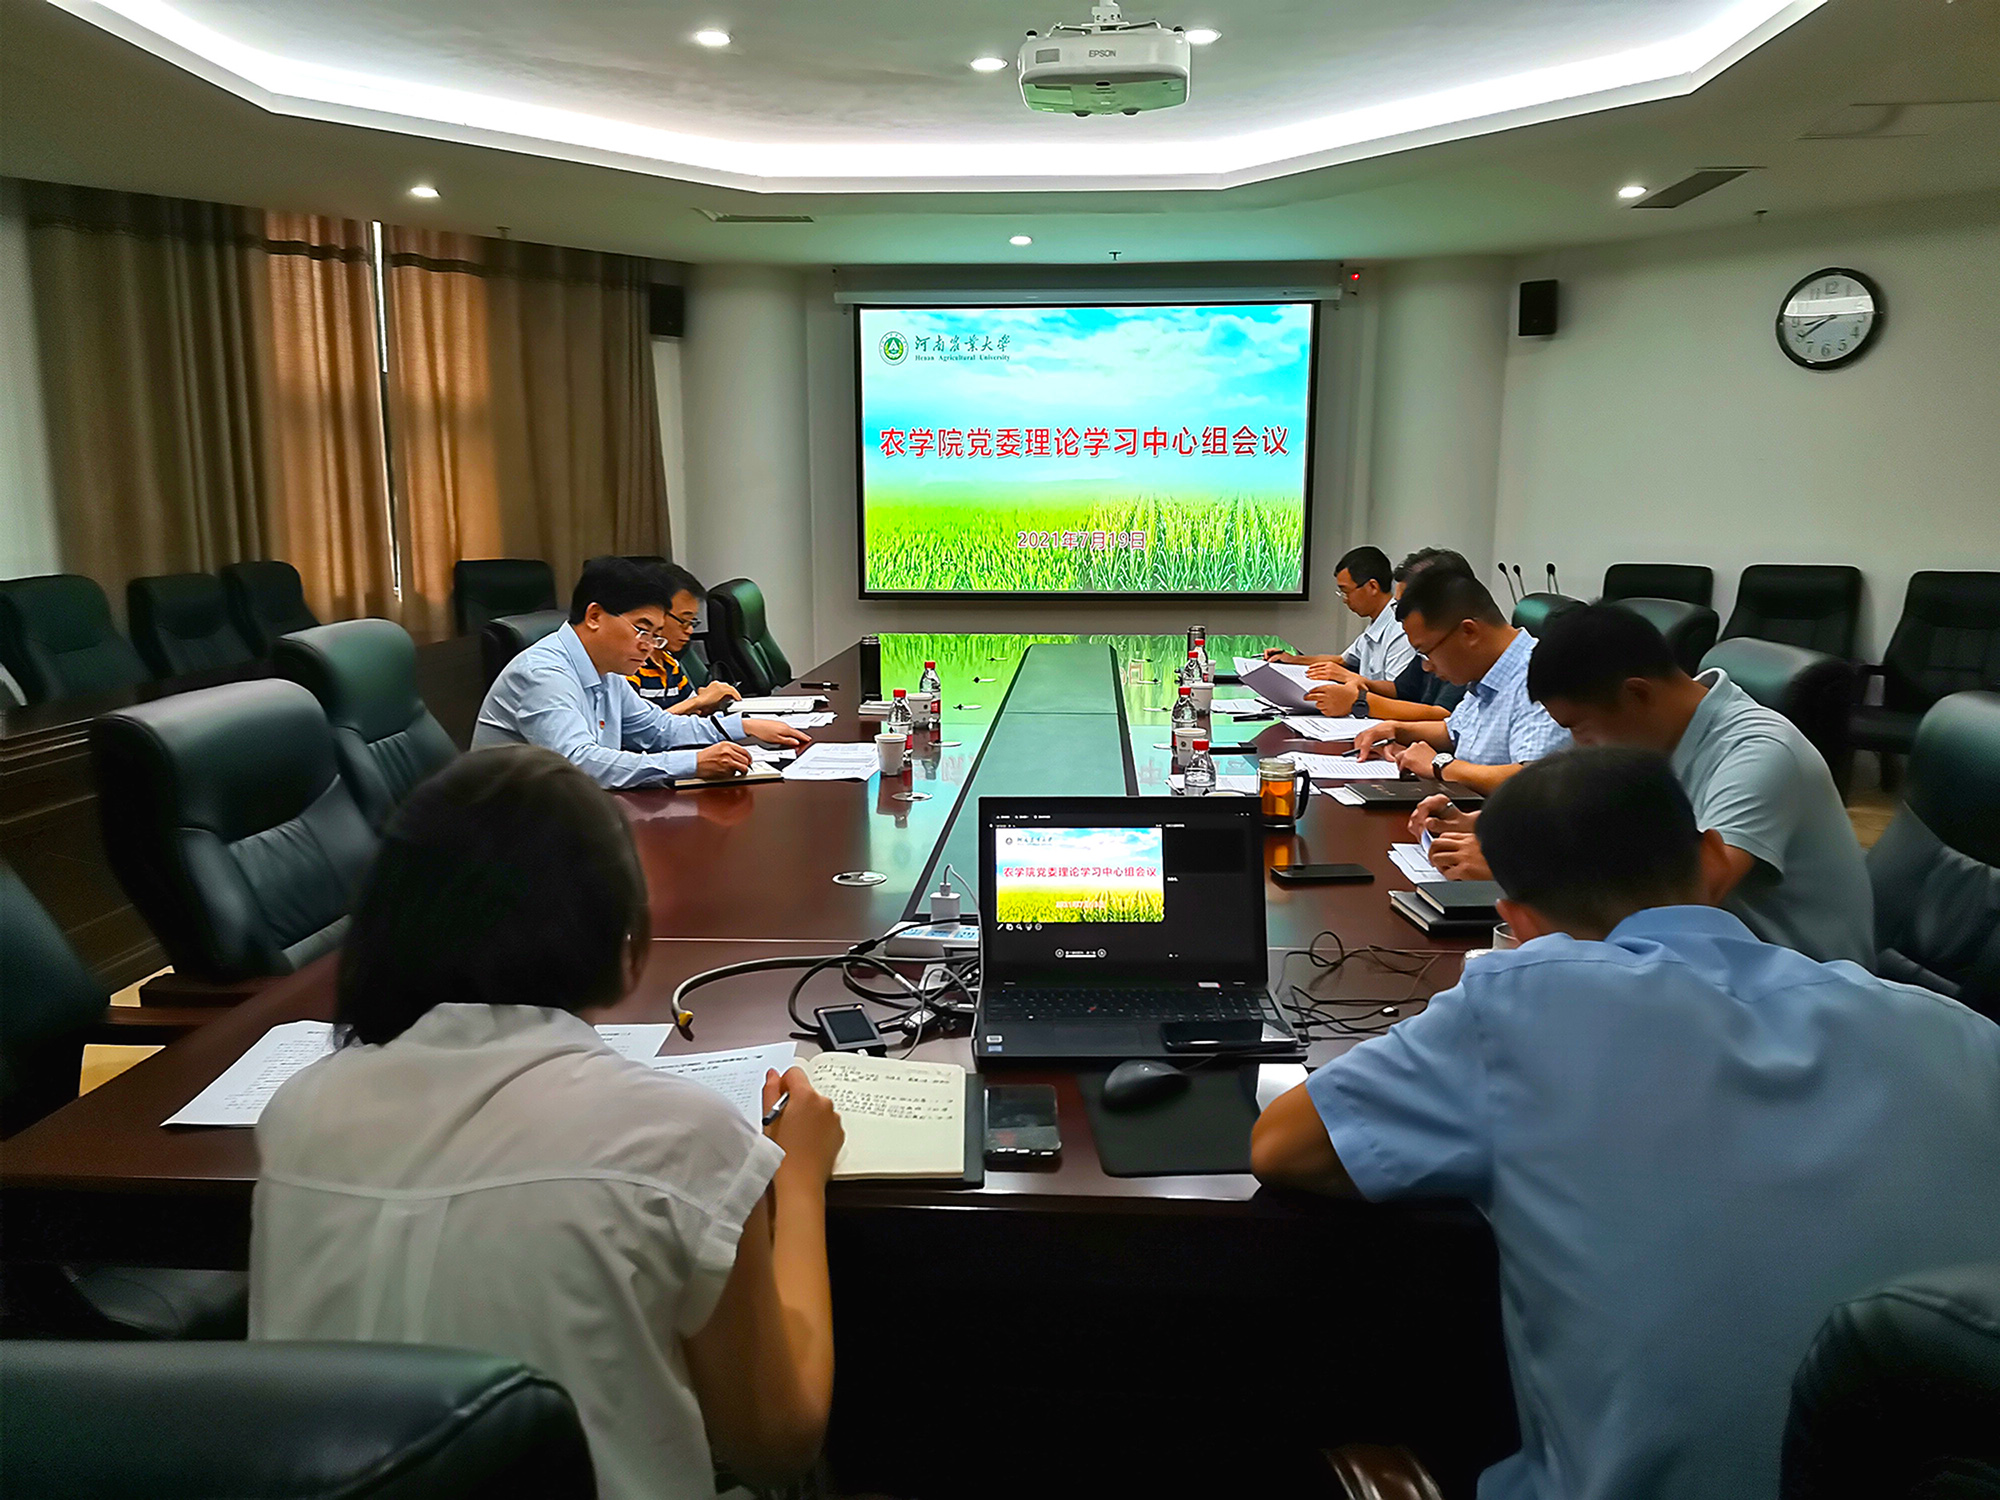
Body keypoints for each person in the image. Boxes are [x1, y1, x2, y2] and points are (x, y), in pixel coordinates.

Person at [1252, 748, 2000, 1500]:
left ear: (1517, 922)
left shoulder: (1526, 999)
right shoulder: (1962, 1032)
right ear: (1715, 859)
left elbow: (1283, 1147)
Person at [250, 746, 843, 1500]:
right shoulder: (681, 1138)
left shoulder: (299, 1112)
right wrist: (799, 1176)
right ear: (623, 942)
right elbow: (777, 1443)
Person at [1414, 604, 1874, 967]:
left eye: (1581, 729)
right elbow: (1620, 838)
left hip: (1797, 991)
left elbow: (1686, 901)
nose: (1578, 748)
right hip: (1700, 964)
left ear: (1637, 694)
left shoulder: (1759, 753)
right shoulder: (1659, 742)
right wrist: (1501, 828)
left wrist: (1523, 864)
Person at [473, 556, 807, 786]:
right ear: (594, 616)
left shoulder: (607, 671)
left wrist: (742, 726)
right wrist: (693, 763)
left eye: (656, 634)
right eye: (642, 629)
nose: (649, 645)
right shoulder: (543, 674)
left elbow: (657, 729)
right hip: (510, 835)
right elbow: (578, 764)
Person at [1351, 568, 1570, 793]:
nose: (1427, 667)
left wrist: (1440, 766)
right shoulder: (1485, 673)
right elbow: (1454, 731)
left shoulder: (1542, 676)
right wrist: (1397, 730)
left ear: (1469, 632)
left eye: (1426, 653)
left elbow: (1534, 779)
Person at [1306, 546, 1472, 723]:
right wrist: (1362, 684)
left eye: (1403, 606)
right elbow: (1400, 690)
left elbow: (1444, 716)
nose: (1397, 617)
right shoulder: (1429, 644)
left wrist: (1360, 701)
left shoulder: (1463, 650)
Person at [1264, 545, 1415, 694]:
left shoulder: (1400, 629)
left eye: (1346, 592)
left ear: (1372, 587)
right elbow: (1343, 660)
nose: (1344, 600)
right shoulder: (1377, 623)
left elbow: (1397, 691)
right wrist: (1292, 660)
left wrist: (1348, 677)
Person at [625, 563, 744, 718]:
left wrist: (709, 704)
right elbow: (642, 726)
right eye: (684, 621)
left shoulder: (669, 661)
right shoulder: (631, 666)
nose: (689, 630)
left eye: (692, 622)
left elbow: (687, 713)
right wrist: (697, 701)